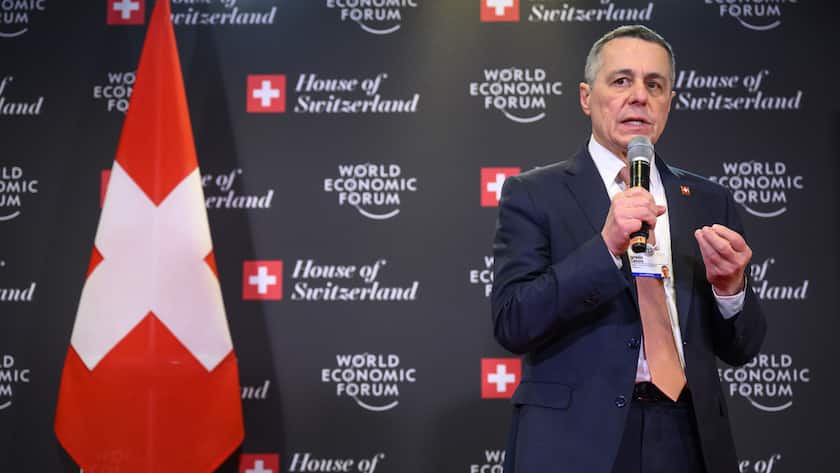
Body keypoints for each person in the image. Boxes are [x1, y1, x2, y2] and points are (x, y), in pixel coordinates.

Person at [491, 25, 766, 473]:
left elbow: (742, 347)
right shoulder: (533, 194)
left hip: (688, 438)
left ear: (668, 103)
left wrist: (731, 289)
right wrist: (604, 248)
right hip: (576, 441)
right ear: (586, 97)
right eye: (621, 81)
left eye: (654, 85)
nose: (639, 95)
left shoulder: (710, 200)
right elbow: (512, 320)